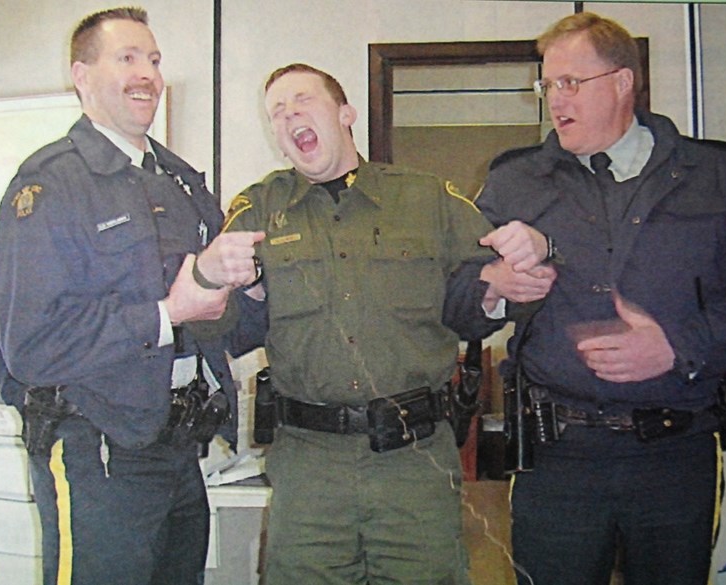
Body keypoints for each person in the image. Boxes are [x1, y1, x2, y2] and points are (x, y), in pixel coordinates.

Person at [445, 11, 726, 585]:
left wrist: (679, 347)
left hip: (677, 453)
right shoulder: (515, 181)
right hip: (558, 458)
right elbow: (455, 301)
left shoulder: (713, 174)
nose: (555, 99)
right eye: (547, 84)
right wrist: (494, 287)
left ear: (624, 82)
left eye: (571, 82)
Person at [195, 62, 555, 585]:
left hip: (414, 465)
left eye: (302, 100)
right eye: (276, 111)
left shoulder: (427, 197)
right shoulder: (257, 209)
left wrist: (503, 283)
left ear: (346, 113)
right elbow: (229, 332)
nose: (289, 114)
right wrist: (237, 287)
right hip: (309, 468)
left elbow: (474, 301)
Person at [0, 7, 265, 585]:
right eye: (127, 58)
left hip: (179, 449)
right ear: (82, 76)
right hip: (97, 452)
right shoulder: (49, 184)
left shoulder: (183, 183)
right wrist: (170, 312)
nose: (148, 75)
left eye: (155, 60)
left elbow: (221, 327)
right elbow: (29, 348)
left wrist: (250, 291)